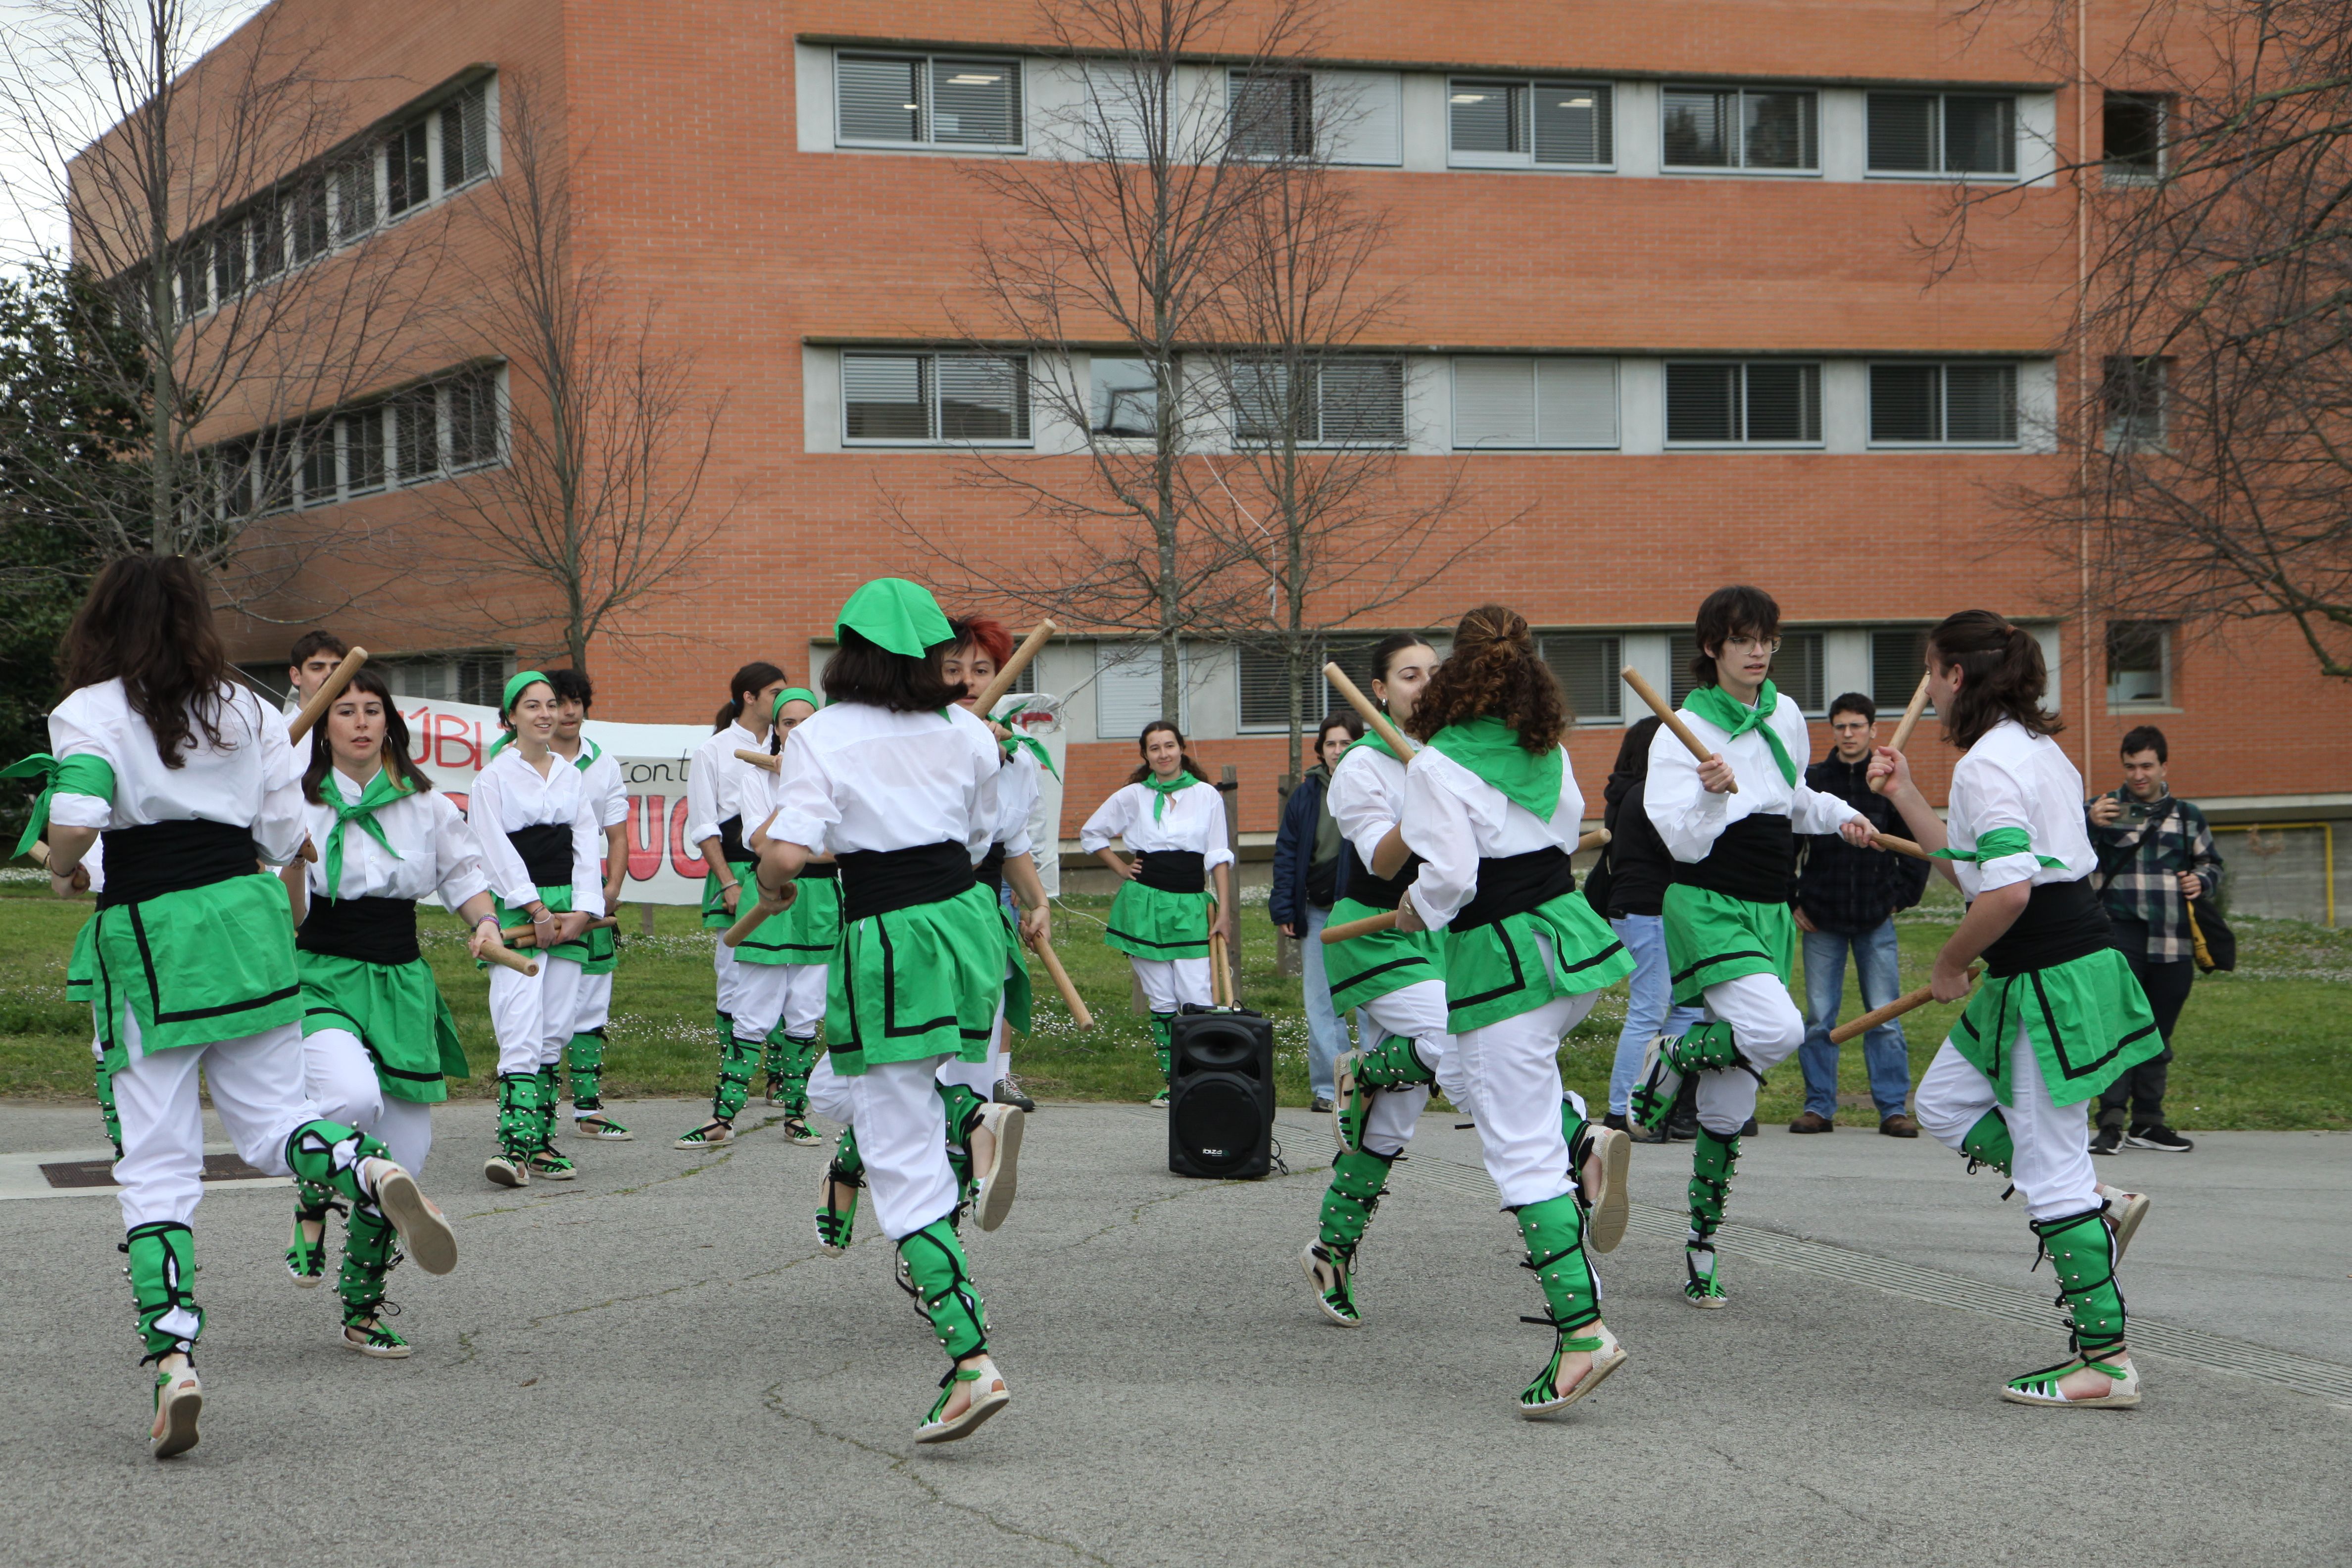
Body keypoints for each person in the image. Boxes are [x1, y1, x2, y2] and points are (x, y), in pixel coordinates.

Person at [34, 555, 457, 1457]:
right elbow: (278, 836)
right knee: (275, 1123)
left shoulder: (92, 710)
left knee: (156, 1162)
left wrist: (63, 858)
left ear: (104, 622)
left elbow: (73, 824)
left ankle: (175, 1358)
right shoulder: (254, 709)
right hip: (253, 923)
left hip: (153, 937)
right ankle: (364, 1169)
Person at [1870, 610, 2160, 1407]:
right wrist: (1904, 795)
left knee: (2052, 1160)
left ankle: (2104, 1362)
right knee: (1943, 1103)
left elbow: (2005, 892)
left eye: (1931, 673)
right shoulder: (2035, 752)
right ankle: (2095, 1207)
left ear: (1957, 677)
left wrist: (1951, 960)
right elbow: (1974, 872)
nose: (1927, 692)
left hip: (2048, 977)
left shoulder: (1992, 767)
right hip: (2048, 967)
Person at [755, 578, 1020, 1443]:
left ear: (851, 652)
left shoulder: (821, 735)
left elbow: (790, 848)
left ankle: (968, 1360)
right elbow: (981, 838)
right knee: (845, 1092)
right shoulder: (969, 730)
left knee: (899, 1155)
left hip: (892, 939)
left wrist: (771, 867)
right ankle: (972, 1110)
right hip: (968, 926)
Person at [1383, 605, 1636, 1416]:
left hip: (1502, 961)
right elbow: (1562, 828)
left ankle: (1582, 1331)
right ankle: (1584, 1144)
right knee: (1469, 1075)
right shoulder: (1546, 746)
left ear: (1456, 672)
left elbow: (1451, 875)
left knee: (1516, 1147)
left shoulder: (1434, 764)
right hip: (1568, 943)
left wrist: (1415, 909)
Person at [1632, 586, 1879, 1309]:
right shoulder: (1678, 730)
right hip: (1706, 903)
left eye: (1767, 638)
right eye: (1743, 639)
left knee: (1728, 1107)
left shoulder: (1785, 714)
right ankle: (1675, 1053)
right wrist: (1711, 794)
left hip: (1772, 906)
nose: (1759, 651)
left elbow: (1794, 796)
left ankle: (1701, 1248)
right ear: (1713, 647)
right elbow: (1677, 838)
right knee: (1777, 1029)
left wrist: (1844, 816)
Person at [283, 667, 503, 1356]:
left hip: (401, 979)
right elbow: (280, 908)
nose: (359, 722)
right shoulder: (293, 802)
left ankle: (363, 1310)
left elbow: (463, 875)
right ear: (324, 727)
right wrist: (289, 863)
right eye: (344, 710)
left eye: (371, 709)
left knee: (407, 1157)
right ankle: (314, 1194)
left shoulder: (427, 803)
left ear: (389, 723)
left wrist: (486, 924)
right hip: (319, 973)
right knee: (349, 1099)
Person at [1301, 634, 1472, 1327]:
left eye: (1435, 672)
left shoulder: (1458, 752)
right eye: (1409, 674)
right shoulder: (1364, 766)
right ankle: (1372, 1069)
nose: (1424, 683)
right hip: (1375, 929)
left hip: (1442, 931)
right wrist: (1424, 801)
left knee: (1395, 1118)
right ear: (1379, 690)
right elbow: (1378, 857)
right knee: (1451, 1034)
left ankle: (1329, 1248)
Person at [473, 671, 607, 1186]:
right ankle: (514, 1147)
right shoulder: (493, 778)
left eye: (551, 704)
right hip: (516, 911)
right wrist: (536, 910)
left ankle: (543, 1142)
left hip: (569, 910)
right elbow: (493, 849)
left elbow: (584, 845)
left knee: (555, 1028)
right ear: (510, 717)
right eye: (532, 706)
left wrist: (582, 911)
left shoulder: (571, 775)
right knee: (520, 1021)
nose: (546, 714)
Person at [1791, 693, 1932, 1136]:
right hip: (1822, 916)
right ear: (1832, 731)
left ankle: (1892, 1109)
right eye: (1841, 727)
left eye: (1857, 726)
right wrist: (1792, 898)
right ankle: (1819, 1107)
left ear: (1873, 730)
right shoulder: (1814, 780)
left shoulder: (1887, 780)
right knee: (1819, 1017)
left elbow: (1918, 843)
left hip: (1876, 916)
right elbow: (1788, 843)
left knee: (1885, 1015)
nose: (1848, 734)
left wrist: (1903, 895)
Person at [1080, 720, 1237, 1106]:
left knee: (1196, 994)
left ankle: (1203, 1076)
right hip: (1143, 905)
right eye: (1155, 748)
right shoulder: (1133, 796)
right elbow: (1091, 834)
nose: (1163, 754)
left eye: (1170, 746)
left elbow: (1217, 854)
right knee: (1162, 999)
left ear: (1182, 749)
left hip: (1188, 904)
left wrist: (1225, 911)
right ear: (1145, 755)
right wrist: (1120, 868)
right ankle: (1175, 1081)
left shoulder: (1206, 795)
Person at [2085, 725, 2222, 1155]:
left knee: (2157, 1033)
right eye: (2130, 767)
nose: (2138, 775)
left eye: (2146, 766)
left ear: (2164, 765)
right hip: (2117, 933)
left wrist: (2201, 881)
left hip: (2172, 938)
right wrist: (2089, 825)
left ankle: (2148, 1122)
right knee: (2117, 1030)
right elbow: (2070, 859)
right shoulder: (2102, 809)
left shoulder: (2188, 815)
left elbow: (2212, 864)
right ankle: (2109, 1124)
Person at [936, 615, 1053, 1113]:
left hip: (983, 913)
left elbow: (1011, 840)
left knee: (977, 1049)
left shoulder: (1017, 759)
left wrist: (1038, 901)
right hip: (922, 912)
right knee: (921, 1051)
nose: (970, 681)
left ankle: (969, 1168)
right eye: (953, 668)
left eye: (982, 670)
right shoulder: (914, 743)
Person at [675, 662, 789, 1151]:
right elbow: (704, 825)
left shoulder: (791, 746)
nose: (781, 702)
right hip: (738, 870)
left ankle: (782, 1078)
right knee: (735, 971)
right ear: (748, 696)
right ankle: (732, 1078)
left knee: (788, 968)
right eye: (774, 693)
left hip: (786, 867)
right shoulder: (714, 750)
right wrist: (727, 882)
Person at [1589, 717, 1705, 1141]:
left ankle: (1654, 1105)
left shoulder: (1628, 793)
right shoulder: (1648, 796)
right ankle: (1623, 1111)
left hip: (1648, 910)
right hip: (1649, 910)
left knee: (1688, 1010)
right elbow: (1680, 851)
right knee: (1650, 1011)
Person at [742, 686, 839, 1144]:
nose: (798, 731)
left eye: (807, 722)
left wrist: (797, 846)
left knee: (805, 1010)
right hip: (769, 896)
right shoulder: (756, 777)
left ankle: (795, 1118)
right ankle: (723, 1117)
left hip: (820, 904)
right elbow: (761, 845)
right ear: (776, 730)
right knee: (754, 1009)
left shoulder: (839, 774)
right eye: (788, 723)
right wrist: (792, 794)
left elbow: (836, 850)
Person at [545, 668, 634, 1141]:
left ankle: (587, 1109)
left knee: (593, 999)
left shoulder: (604, 763)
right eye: (561, 701)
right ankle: (531, 1113)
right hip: (534, 896)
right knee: (536, 1003)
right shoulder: (512, 761)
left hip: (588, 893)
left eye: (578, 700)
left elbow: (617, 833)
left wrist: (611, 889)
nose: (571, 710)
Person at [1271, 712, 1361, 1112]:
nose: (1338, 751)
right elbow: (1287, 853)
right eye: (1331, 744)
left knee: (1374, 999)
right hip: (1318, 911)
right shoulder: (1305, 795)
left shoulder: (1373, 785)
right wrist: (1287, 906)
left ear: (1359, 745)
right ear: (1321, 749)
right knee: (1321, 1003)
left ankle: (1378, 1084)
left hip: (1363, 908)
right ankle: (1331, 1089)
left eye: (1345, 743)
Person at [284, 630, 348, 718]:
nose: (329, 674)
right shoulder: (282, 730)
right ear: (296, 676)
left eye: (336, 668)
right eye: (317, 668)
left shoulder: (359, 725)